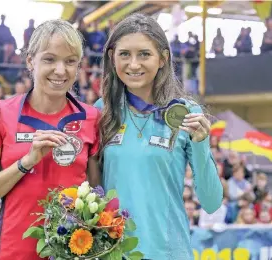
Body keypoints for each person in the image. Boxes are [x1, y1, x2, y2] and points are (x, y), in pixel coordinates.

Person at [94, 13, 223, 259]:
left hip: (168, 252)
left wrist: (201, 144)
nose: (133, 64)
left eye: (144, 54)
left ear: (163, 58)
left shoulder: (186, 113)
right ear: (112, 58)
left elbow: (211, 202)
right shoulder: (102, 111)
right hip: (113, 252)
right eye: (124, 54)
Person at [0, 19, 100, 260]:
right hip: (15, 251)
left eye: (70, 61)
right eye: (50, 59)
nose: (60, 70)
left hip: (73, 252)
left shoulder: (91, 118)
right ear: (31, 60)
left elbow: (97, 193)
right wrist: (26, 162)